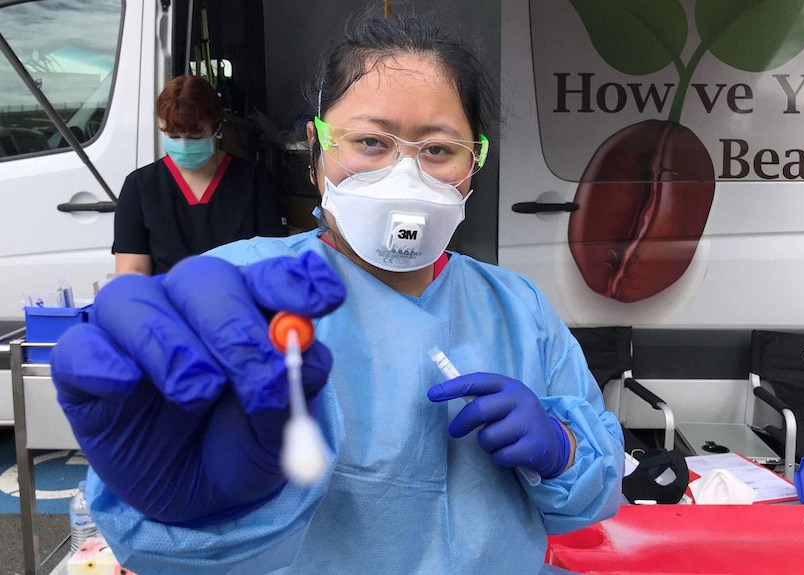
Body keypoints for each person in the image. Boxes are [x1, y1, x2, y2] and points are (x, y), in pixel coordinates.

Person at [50, 9, 624, 575]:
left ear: (474, 161)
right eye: (370, 142)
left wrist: (563, 450)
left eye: (438, 150)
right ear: (316, 146)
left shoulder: (516, 308)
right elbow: (149, 543)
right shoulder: (238, 294)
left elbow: (589, 506)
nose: (405, 175)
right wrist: (196, 509)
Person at [112, 74, 290, 275]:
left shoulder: (256, 181)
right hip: (167, 303)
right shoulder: (140, 187)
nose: (184, 144)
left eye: (195, 137)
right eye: (174, 136)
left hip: (240, 300)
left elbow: (274, 263)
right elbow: (131, 272)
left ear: (217, 127)